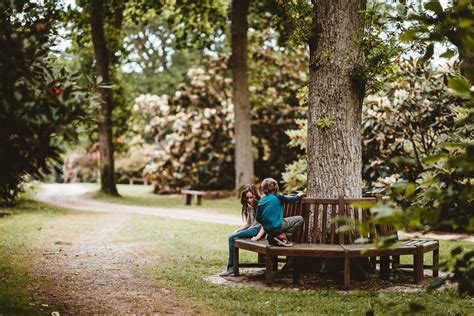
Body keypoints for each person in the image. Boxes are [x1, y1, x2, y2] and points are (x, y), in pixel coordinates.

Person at [219, 184, 266, 277]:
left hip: (258, 230)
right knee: (233, 236)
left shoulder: (261, 204)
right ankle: (231, 267)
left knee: (232, 238)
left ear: (255, 195)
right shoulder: (249, 205)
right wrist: (237, 230)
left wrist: (258, 236)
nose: (249, 200)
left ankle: (231, 267)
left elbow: (265, 224)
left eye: (251, 197)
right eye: (246, 198)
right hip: (253, 228)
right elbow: (248, 223)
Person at [256, 178, 305, 247]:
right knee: (300, 219)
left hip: (267, 230)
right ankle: (282, 237)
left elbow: (258, 218)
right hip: (277, 227)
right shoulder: (278, 197)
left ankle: (274, 237)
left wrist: (267, 222)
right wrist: (298, 195)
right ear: (276, 188)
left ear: (263, 189)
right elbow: (291, 199)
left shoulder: (261, 201)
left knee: (280, 223)